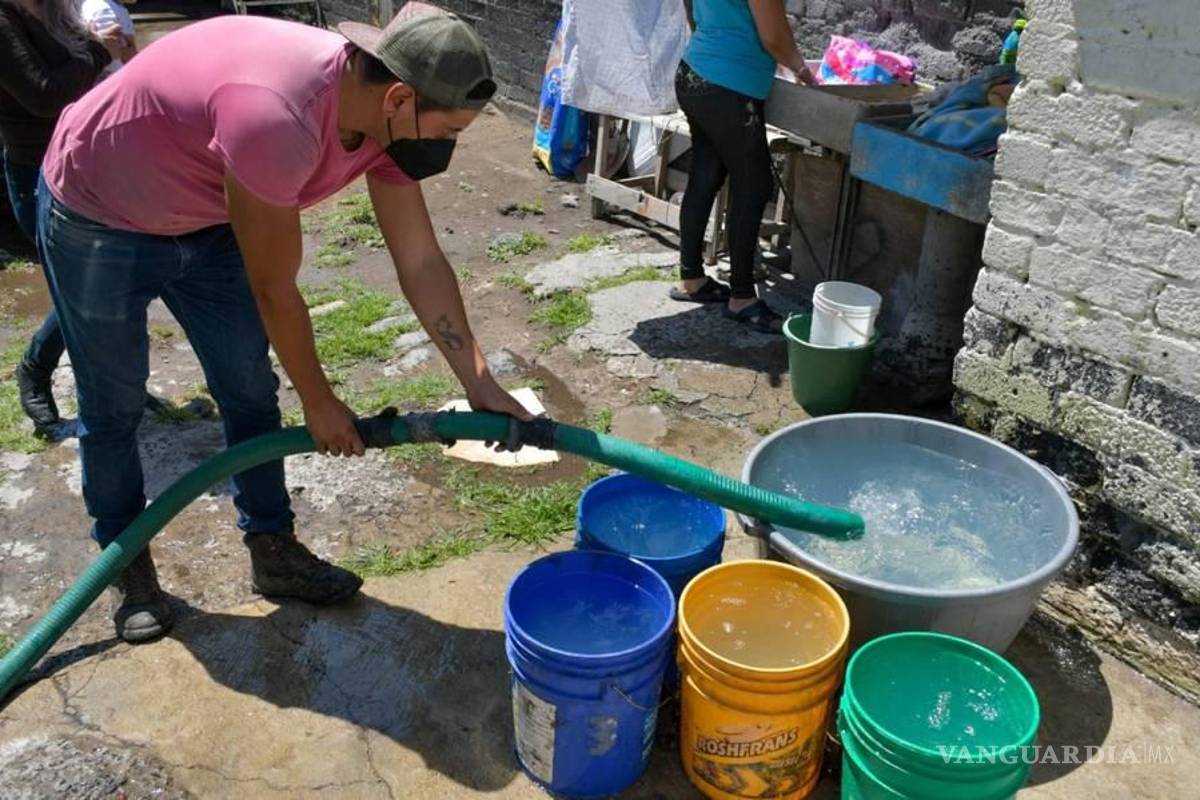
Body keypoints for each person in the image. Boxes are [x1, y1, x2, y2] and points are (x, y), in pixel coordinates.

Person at [38, 12, 532, 643]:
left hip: (205, 209)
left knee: (247, 387)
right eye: (451, 129)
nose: (451, 145)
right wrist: (321, 402)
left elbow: (420, 258)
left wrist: (478, 379)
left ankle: (272, 549)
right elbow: (275, 287)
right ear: (400, 97)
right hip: (99, 209)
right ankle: (126, 562)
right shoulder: (278, 116)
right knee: (114, 405)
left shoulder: (384, 120)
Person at [1, 0, 126, 431]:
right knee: (82, 284)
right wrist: (99, 52)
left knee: (112, 276)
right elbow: (43, 93)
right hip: (36, 168)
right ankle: (35, 368)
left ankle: (119, 379)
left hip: (92, 156)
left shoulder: (65, 6)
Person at [670, 0, 813, 334]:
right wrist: (804, 71)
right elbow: (774, 36)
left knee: (706, 174)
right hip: (730, 86)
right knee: (754, 186)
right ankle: (742, 299)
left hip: (695, 72)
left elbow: (692, 10)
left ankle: (692, 278)